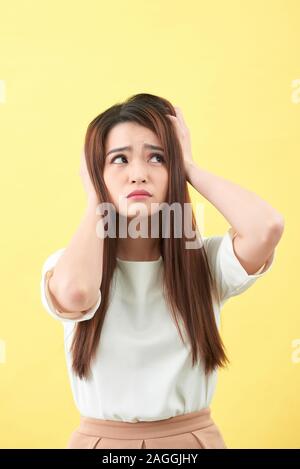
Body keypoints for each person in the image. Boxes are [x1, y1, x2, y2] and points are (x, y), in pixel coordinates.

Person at [40, 93, 284, 449]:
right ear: (97, 173)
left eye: (158, 157)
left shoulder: (205, 263)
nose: (138, 174)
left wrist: (191, 169)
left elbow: (267, 227)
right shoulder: (68, 265)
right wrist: (95, 197)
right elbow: (77, 292)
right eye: (119, 160)